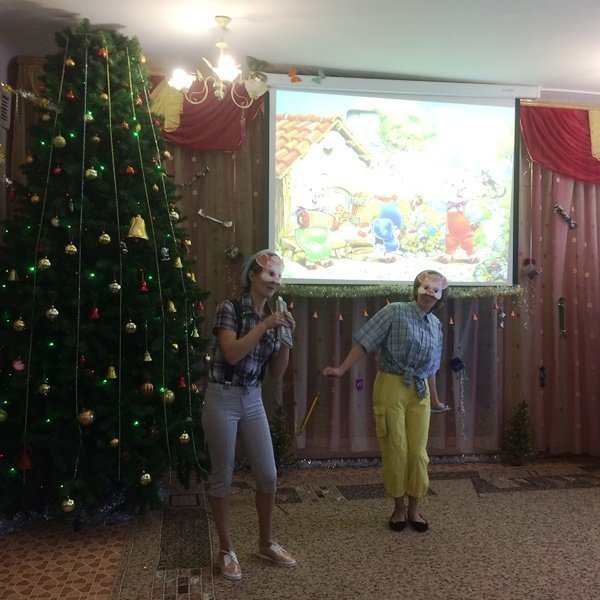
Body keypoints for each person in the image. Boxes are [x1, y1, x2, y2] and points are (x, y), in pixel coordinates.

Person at [322, 270, 450, 533]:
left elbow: (432, 368)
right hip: (392, 385)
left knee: (418, 453)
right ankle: (398, 508)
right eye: (426, 288)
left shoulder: (436, 325)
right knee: (396, 449)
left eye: (436, 291)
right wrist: (342, 369)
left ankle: (415, 508)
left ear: (441, 296)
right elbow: (365, 342)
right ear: (417, 288)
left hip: (420, 391)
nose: (430, 294)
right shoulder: (395, 311)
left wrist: (435, 400)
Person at [202, 249, 297, 580]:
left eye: (279, 275)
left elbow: (276, 373)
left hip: (252, 398)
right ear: (252, 276)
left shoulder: (273, 316)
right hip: (222, 397)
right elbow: (231, 353)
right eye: (270, 273)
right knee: (223, 475)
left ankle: (265, 543)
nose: (275, 280)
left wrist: (286, 339)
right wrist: (265, 325)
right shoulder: (229, 308)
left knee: (268, 475)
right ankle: (225, 550)